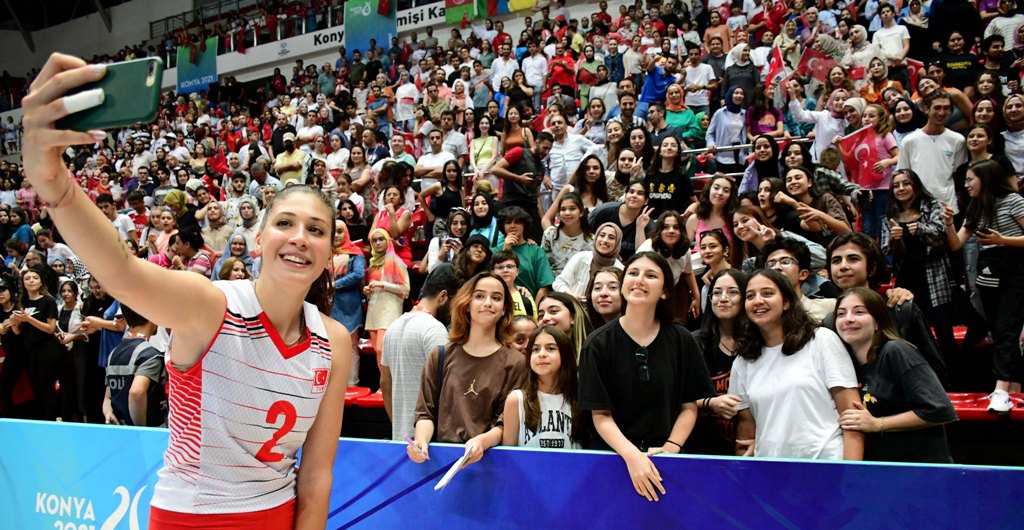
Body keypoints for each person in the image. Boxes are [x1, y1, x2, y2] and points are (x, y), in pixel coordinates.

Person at [24, 52, 352, 526]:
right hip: (192, 517)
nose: (301, 237)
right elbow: (121, 270)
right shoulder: (210, 304)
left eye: (316, 230)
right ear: (259, 240)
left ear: (329, 251)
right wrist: (52, 179)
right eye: (285, 223)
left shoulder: (334, 342)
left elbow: (317, 476)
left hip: (278, 516)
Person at [579, 251, 715, 502]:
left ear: (664, 291)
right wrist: (633, 457)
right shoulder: (597, 344)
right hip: (614, 458)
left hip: (666, 458)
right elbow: (600, 415)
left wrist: (671, 449)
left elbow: (689, 406)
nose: (639, 280)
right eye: (633, 273)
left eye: (650, 275)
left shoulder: (681, 339)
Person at [730, 269, 864, 460]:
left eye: (767, 293)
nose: (758, 300)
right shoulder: (743, 361)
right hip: (773, 474)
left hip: (826, 466)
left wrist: (851, 476)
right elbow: (746, 435)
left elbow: (852, 416)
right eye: (750, 296)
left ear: (786, 302)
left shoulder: (821, 341)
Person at [407, 272, 527, 465]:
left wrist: (482, 441)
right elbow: (425, 413)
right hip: (441, 461)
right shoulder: (440, 355)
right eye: (479, 296)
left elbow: (506, 424)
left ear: (504, 309)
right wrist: (421, 441)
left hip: (490, 461)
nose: (487, 303)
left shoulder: (516, 362)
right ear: (467, 304)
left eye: (496, 298)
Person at [833, 287, 957, 463]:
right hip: (881, 470)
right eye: (841, 314)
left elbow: (939, 409)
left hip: (919, 469)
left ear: (878, 322)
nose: (849, 319)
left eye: (859, 312)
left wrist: (878, 424)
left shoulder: (896, 351)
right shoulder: (846, 365)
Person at [942, 159, 1024, 413]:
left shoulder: (1014, 201)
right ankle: (1015, 388)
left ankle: (1000, 390)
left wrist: (1003, 239)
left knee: (1006, 325)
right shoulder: (976, 207)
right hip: (988, 267)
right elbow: (957, 244)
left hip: (1016, 264)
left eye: (970, 179)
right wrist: (947, 224)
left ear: (985, 179)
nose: (965, 185)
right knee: (999, 330)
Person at [824, 233, 946, 383]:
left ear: (872, 267)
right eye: (836, 261)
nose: (843, 266)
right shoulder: (830, 321)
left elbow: (936, 371)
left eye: (853, 259)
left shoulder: (899, 308)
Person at [881, 169, 960, 358]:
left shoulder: (931, 206)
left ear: (915, 185)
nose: (901, 188)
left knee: (943, 330)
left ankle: (953, 378)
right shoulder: (890, 214)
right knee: (908, 332)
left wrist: (920, 230)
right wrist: (895, 240)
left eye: (906, 183)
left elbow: (943, 238)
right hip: (906, 279)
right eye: (896, 185)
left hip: (934, 278)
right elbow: (886, 252)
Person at [381, 265, 460, 441]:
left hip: (402, 437)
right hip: (428, 440)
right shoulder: (434, 329)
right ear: (443, 296)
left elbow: (385, 384)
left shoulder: (392, 327)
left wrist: (400, 425)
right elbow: (447, 389)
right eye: (455, 304)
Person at [689, 269, 747, 456]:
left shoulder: (760, 344)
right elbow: (673, 401)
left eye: (733, 292)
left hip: (752, 449)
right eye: (716, 292)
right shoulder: (693, 343)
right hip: (702, 451)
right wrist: (710, 404)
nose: (723, 298)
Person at [502, 326, 583, 448]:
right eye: (535, 349)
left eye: (550, 348)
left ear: (565, 354)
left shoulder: (579, 398)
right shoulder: (516, 400)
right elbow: (508, 456)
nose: (541, 354)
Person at [897, 91, 968, 214]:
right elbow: (903, 175)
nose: (941, 112)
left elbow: (958, 175)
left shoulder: (958, 140)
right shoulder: (909, 141)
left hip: (948, 208)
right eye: (937, 108)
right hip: (918, 208)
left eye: (946, 108)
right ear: (926, 109)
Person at [102, 303, 167, 427]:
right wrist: (140, 430)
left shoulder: (113, 353)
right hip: (149, 433)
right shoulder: (151, 355)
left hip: (120, 430)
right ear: (151, 317)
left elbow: (107, 398)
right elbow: (136, 392)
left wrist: (108, 412)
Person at [637, 211, 701, 321]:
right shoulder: (648, 249)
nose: (671, 231)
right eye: (666, 227)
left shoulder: (684, 248)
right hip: (648, 295)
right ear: (659, 231)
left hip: (672, 292)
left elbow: (688, 273)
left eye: (676, 227)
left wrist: (696, 297)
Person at [363, 228, 410, 364]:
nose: (378, 243)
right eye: (374, 240)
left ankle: (389, 384)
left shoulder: (397, 262)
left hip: (390, 309)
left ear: (388, 241)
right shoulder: (372, 264)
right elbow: (373, 287)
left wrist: (383, 284)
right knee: (377, 351)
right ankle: (384, 384)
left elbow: (405, 290)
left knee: (382, 350)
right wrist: (367, 291)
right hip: (374, 309)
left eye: (381, 239)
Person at [496, 206, 554, 300]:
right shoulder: (495, 251)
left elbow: (544, 287)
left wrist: (535, 311)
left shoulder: (536, 251)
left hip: (529, 306)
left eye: (517, 222)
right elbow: (493, 280)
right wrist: (505, 250)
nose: (512, 226)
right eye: (508, 222)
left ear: (524, 225)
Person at [553, 222, 623, 299]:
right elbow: (559, 283)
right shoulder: (581, 257)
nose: (605, 240)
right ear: (596, 238)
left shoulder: (621, 269)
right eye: (602, 235)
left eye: (611, 237)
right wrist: (570, 295)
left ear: (618, 243)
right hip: (574, 307)